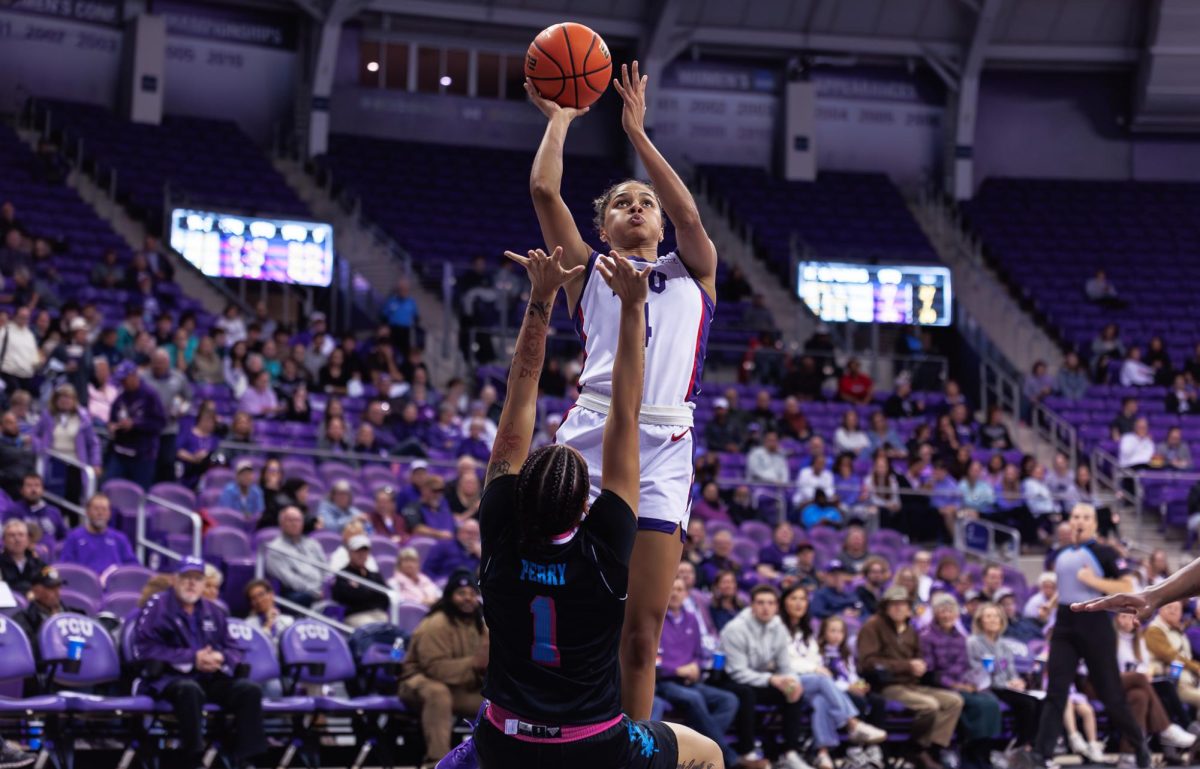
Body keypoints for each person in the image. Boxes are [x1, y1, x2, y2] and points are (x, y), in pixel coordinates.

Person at [470, 245, 721, 768]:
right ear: (586, 504)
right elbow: (624, 414)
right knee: (708, 753)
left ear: (515, 496)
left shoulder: (499, 532)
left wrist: (540, 298)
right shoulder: (605, 551)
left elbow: (519, 390)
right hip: (591, 745)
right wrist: (634, 310)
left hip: (503, 740)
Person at [528, 58, 720, 723]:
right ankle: (545, 726)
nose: (636, 209)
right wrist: (560, 120)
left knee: (642, 635)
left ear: (660, 224)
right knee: (569, 606)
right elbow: (545, 194)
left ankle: (629, 749)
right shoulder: (589, 270)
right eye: (621, 203)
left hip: (665, 442)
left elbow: (691, 212)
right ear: (604, 226)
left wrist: (638, 135)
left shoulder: (695, 271)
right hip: (591, 430)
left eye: (646, 203)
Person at [1012, 504, 1150, 769]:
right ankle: (1042, 755)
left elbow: (1127, 586)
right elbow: (1066, 584)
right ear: (1070, 521)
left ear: (1095, 525)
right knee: (1056, 691)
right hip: (1065, 625)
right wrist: (1051, 604)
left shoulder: (1104, 552)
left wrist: (1093, 581)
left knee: (1111, 695)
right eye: (1076, 517)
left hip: (1095, 625)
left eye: (1086, 518)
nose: (1080, 521)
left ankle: (1139, 746)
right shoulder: (1061, 553)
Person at [132, 556, 265, 769]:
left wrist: (220, 658)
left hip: (208, 677)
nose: (191, 583)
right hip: (170, 678)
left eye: (197, 578)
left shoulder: (214, 611)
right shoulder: (157, 606)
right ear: (175, 580)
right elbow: (144, 649)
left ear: (204, 584)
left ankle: (248, 760)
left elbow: (234, 648)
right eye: (186, 577)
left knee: (249, 690)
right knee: (189, 689)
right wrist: (192, 658)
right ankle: (194, 760)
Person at [781, 585, 887, 769]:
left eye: (802, 599)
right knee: (823, 680)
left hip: (810, 682)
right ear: (784, 602)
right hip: (788, 681)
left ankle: (822, 753)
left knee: (822, 700)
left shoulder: (805, 630)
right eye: (793, 598)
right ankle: (853, 724)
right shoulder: (778, 628)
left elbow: (813, 660)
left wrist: (815, 668)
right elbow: (784, 662)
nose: (799, 603)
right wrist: (814, 668)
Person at [858, 586, 964, 769]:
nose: (899, 608)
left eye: (903, 604)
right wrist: (907, 666)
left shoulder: (911, 629)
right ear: (886, 607)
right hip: (887, 685)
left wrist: (921, 666)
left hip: (912, 684)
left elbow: (919, 657)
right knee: (929, 706)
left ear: (909, 608)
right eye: (894, 604)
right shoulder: (872, 626)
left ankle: (931, 749)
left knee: (954, 701)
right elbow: (868, 662)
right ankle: (914, 749)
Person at [655, 578, 748, 769]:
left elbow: (699, 654)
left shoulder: (691, 618)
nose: (675, 593)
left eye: (680, 589)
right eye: (671, 589)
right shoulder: (656, 618)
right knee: (695, 698)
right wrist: (676, 669)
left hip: (690, 680)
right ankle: (729, 757)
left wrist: (695, 667)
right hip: (665, 681)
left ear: (686, 594)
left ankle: (694, 751)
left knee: (729, 700)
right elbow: (650, 661)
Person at [719, 585, 811, 769]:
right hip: (730, 679)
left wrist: (793, 682)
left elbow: (785, 667)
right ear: (752, 606)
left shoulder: (779, 628)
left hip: (760, 678)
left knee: (792, 692)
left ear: (777, 606)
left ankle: (790, 753)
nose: (765, 607)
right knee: (746, 694)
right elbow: (737, 672)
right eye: (760, 603)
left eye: (770, 603)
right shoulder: (735, 629)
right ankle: (748, 751)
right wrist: (771, 679)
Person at [919, 594, 1002, 769]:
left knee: (990, 702)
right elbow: (931, 672)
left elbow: (964, 666)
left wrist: (971, 683)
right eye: (943, 611)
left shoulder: (960, 637)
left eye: (951, 610)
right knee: (977, 704)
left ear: (957, 614)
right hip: (938, 684)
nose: (947, 615)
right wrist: (956, 685)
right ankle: (968, 753)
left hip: (961, 683)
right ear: (935, 613)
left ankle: (983, 750)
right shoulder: (926, 636)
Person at [1113, 612, 1196, 755]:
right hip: (1115, 682)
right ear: (1116, 618)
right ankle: (1169, 728)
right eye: (1123, 617)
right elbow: (1111, 668)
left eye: (1130, 617)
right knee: (1142, 680)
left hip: (1138, 686)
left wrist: (1148, 672)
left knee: (1143, 695)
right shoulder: (1111, 639)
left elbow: (1145, 665)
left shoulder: (1138, 640)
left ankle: (1131, 754)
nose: (1127, 621)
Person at [967, 602, 1040, 753]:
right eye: (988, 616)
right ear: (980, 620)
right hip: (987, 687)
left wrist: (1017, 681)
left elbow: (1010, 669)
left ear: (1001, 621)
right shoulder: (973, 642)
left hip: (1005, 686)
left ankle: (1029, 746)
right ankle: (1019, 744)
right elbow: (978, 671)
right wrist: (1006, 683)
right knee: (1027, 704)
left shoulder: (1004, 644)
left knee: (1039, 702)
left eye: (996, 616)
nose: (993, 620)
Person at [106, 361, 166, 490]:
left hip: (143, 455)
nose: (122, 383)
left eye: (124, 379)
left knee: (139, 495)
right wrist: (112, 426)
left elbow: (160, 423)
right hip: (120, 452)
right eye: (120, 380)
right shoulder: (121, 397)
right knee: (109, 487)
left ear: (133, 376)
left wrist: (136, 424)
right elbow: (112, 418)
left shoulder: (150, 395)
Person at [58, 493, 137, 576]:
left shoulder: (120, 538)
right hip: (83, 585)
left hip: (114, 586)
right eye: (96, 509)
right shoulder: (74, 536)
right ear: (87, 512)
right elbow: (66, 566)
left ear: (109, 514)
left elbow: (132, 566)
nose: (100, 513)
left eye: (104, 509)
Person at [263, 506, 327, 608]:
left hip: (321, 591)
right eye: (290, 520)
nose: (295, 523)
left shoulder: (313, 544)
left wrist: (327, 588)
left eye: (298, 520)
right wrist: (316, 592)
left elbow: (325, 569)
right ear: (281, 523)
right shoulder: (275, 549)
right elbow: (290, 581)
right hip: (298, 595)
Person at [331, 534, 391, 628]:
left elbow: (386, 597)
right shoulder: (343, 574)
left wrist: (360, 590)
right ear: (350, 553)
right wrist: (371, 593)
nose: (361, 555)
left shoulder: (374, 575)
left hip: (378, 613)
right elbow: (344, 597)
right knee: (372, 628)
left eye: (364, 551)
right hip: (356, 615)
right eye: (358, 551)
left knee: (391, 630)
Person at [12, 566, 87, 641]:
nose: (57, 592)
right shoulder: (22, 622)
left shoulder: (76, 616)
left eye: (58, 587)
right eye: (51, 588)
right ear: (36, 591)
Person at [4, 474, 66, 543]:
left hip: (51, 553)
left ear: (43, 490)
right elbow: (5, 538)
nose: (33, 489)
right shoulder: (13, 510)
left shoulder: (54, 512)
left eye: (37, 485)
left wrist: (57, 548)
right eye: (29, 486)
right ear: (21, 490)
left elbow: (65, 537)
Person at [0, 520, 45, 595]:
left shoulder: (37, 563)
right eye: (12, 535)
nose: (17, 539)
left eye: (21, 535)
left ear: (28, 539)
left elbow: (50, 582)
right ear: (4, 540)